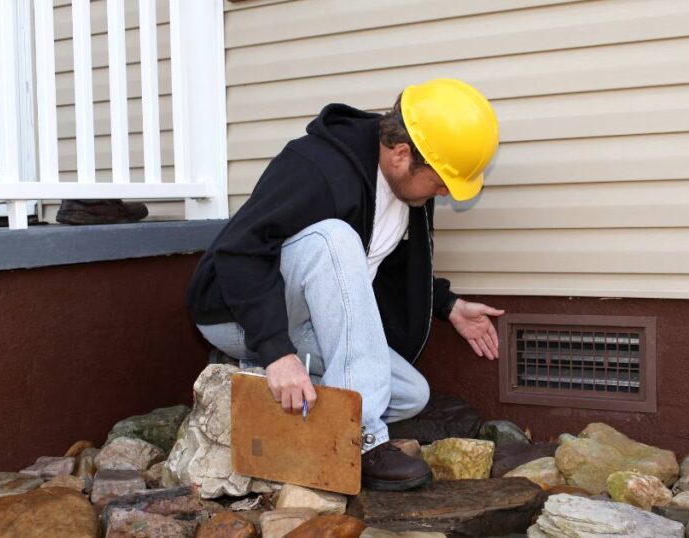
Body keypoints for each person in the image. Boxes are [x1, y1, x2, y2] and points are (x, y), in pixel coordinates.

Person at [186, 79, 504, 491]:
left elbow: (382, 263)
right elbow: (239, 251)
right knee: (333, 238)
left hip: (306, 323)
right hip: (236, 314)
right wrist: (278, 352)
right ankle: (361, 439)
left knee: (411, 393)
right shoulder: (315, 166)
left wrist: (447, 305)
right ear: (401, 154)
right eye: (441, 181)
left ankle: (253, 379)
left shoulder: (405, 191)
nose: (445, 192)